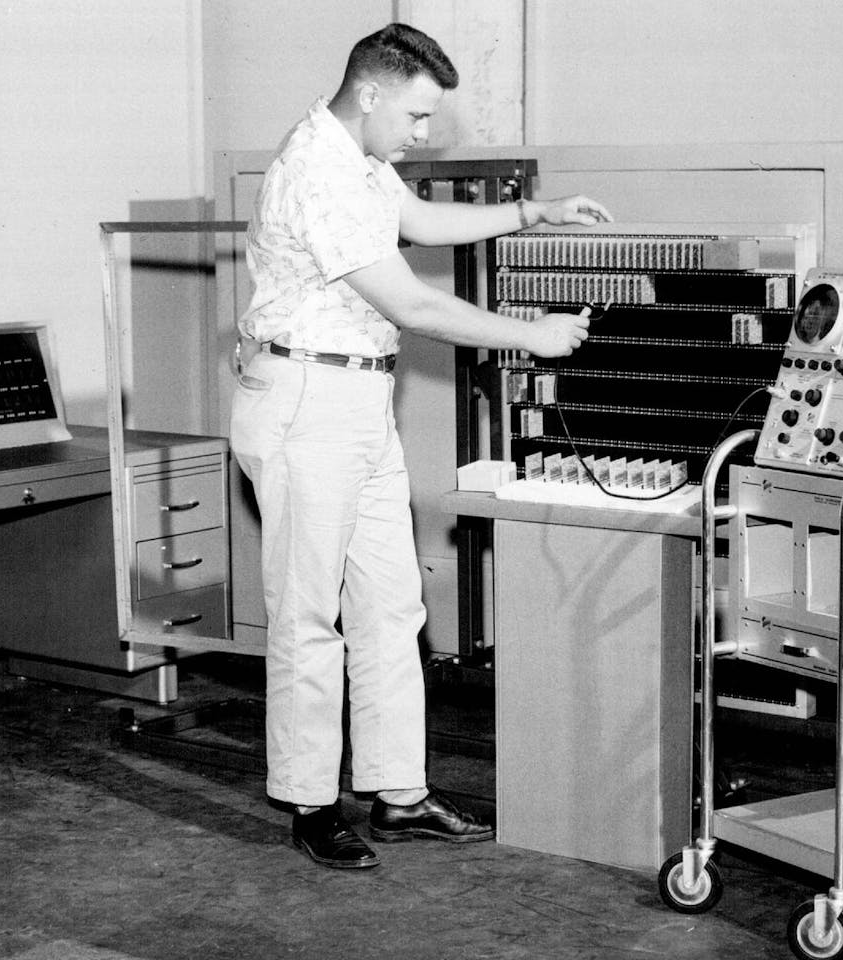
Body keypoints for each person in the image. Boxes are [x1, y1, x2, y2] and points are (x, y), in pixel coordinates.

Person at [229, 22, 611, 870]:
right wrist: (531, 338)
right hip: (305, 401)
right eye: (416, 115)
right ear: (370, 92)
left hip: (360, 401)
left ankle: (398, 793)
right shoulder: (315, 167)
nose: (424, 134)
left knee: (393, 607)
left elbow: (422, 223)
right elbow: (412, 303)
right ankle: (310, 801)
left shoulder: (361, 156)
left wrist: (531, 211)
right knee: (307, 616)